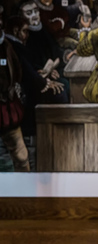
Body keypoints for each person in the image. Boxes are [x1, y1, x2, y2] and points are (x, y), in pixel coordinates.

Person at [0, 15, 31, 172]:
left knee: (21, 156)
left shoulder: (6, 45)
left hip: (7, 108)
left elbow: (17, 70)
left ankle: (24, 192)